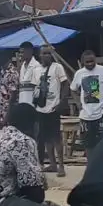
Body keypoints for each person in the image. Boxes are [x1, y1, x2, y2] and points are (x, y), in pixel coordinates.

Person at [69, 50, 103, 153]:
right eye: (87, 62)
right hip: (86, 116)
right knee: (88, 145)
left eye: (92, 61)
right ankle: (91, 167)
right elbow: (73, 89)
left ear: (95, 60)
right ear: (83, 62)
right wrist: (78, 104)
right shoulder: (79, 73)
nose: (90, 64)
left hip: (102, 114)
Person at [35, 46, 68, 177]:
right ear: (40, 55)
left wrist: (62, 101)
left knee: (56, 138)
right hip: (40, 108)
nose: (47, 56)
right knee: (46, 137)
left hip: (53, 107)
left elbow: (65, 84)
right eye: (44, 53)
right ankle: (53, 164)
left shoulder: (57, 67)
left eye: (49, 53)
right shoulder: (36, 70)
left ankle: (61, 166)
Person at [15, 42, 44, 136]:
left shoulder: (36, 66)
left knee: (33, 134)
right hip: (23, 106)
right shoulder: (22, 66)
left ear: (30, 51)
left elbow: (39, 89)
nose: (20, 54)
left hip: (32, 107)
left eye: (23, 52)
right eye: (20, 52)